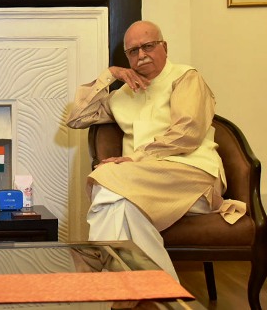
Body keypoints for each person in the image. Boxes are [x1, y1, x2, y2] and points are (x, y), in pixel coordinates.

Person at [66, 20, 245, 281]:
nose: (141, 55)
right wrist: (111, 74)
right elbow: (77, 119)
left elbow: (187, 133)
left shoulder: (185, 78)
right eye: (133, 51)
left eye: (148, 46)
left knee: (105, 177)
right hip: (139, 184)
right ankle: (161, 293)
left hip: (192, 176)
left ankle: (101, 270)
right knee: (123, 208)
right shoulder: (122, 95)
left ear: (165, 47)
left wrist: (135, 159)